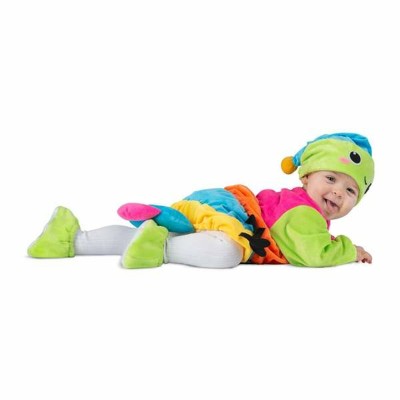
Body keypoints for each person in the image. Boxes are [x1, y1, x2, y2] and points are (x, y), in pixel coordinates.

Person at [27, 133, 374, 268]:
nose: (337, 193)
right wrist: (350, 249)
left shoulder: (304, 211)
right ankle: (160, 248)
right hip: (230, 212)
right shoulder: (303, 213)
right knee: (227, 253)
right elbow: (313, 255)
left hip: (217, 204)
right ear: (306, 177)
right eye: (331, 179)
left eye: (350, 191)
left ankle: (70, 240)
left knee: (149, 236)